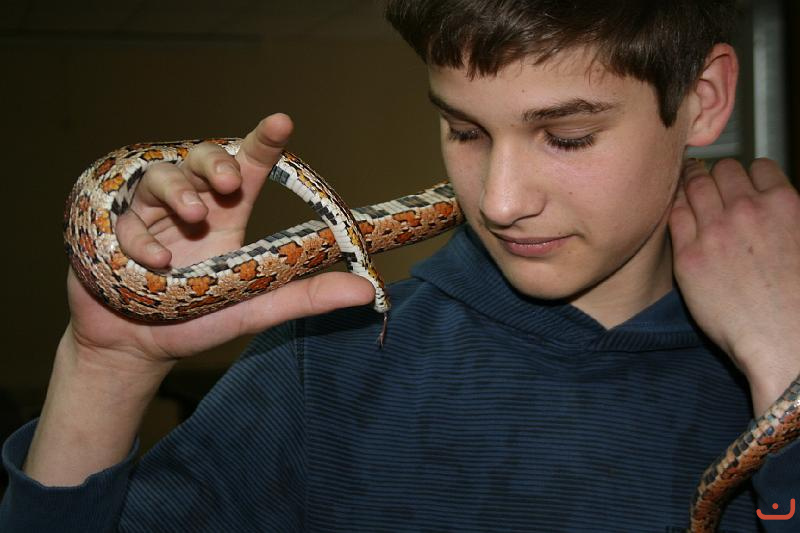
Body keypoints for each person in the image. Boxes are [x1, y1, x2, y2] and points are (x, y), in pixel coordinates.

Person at [2, 0, 799, 531]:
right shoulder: (324, 360)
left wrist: (787, 374)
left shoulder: (782, 352)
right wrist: (107, 367)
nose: (500, 201)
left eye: (567, 137)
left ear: (703, 98)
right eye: (464, 131)